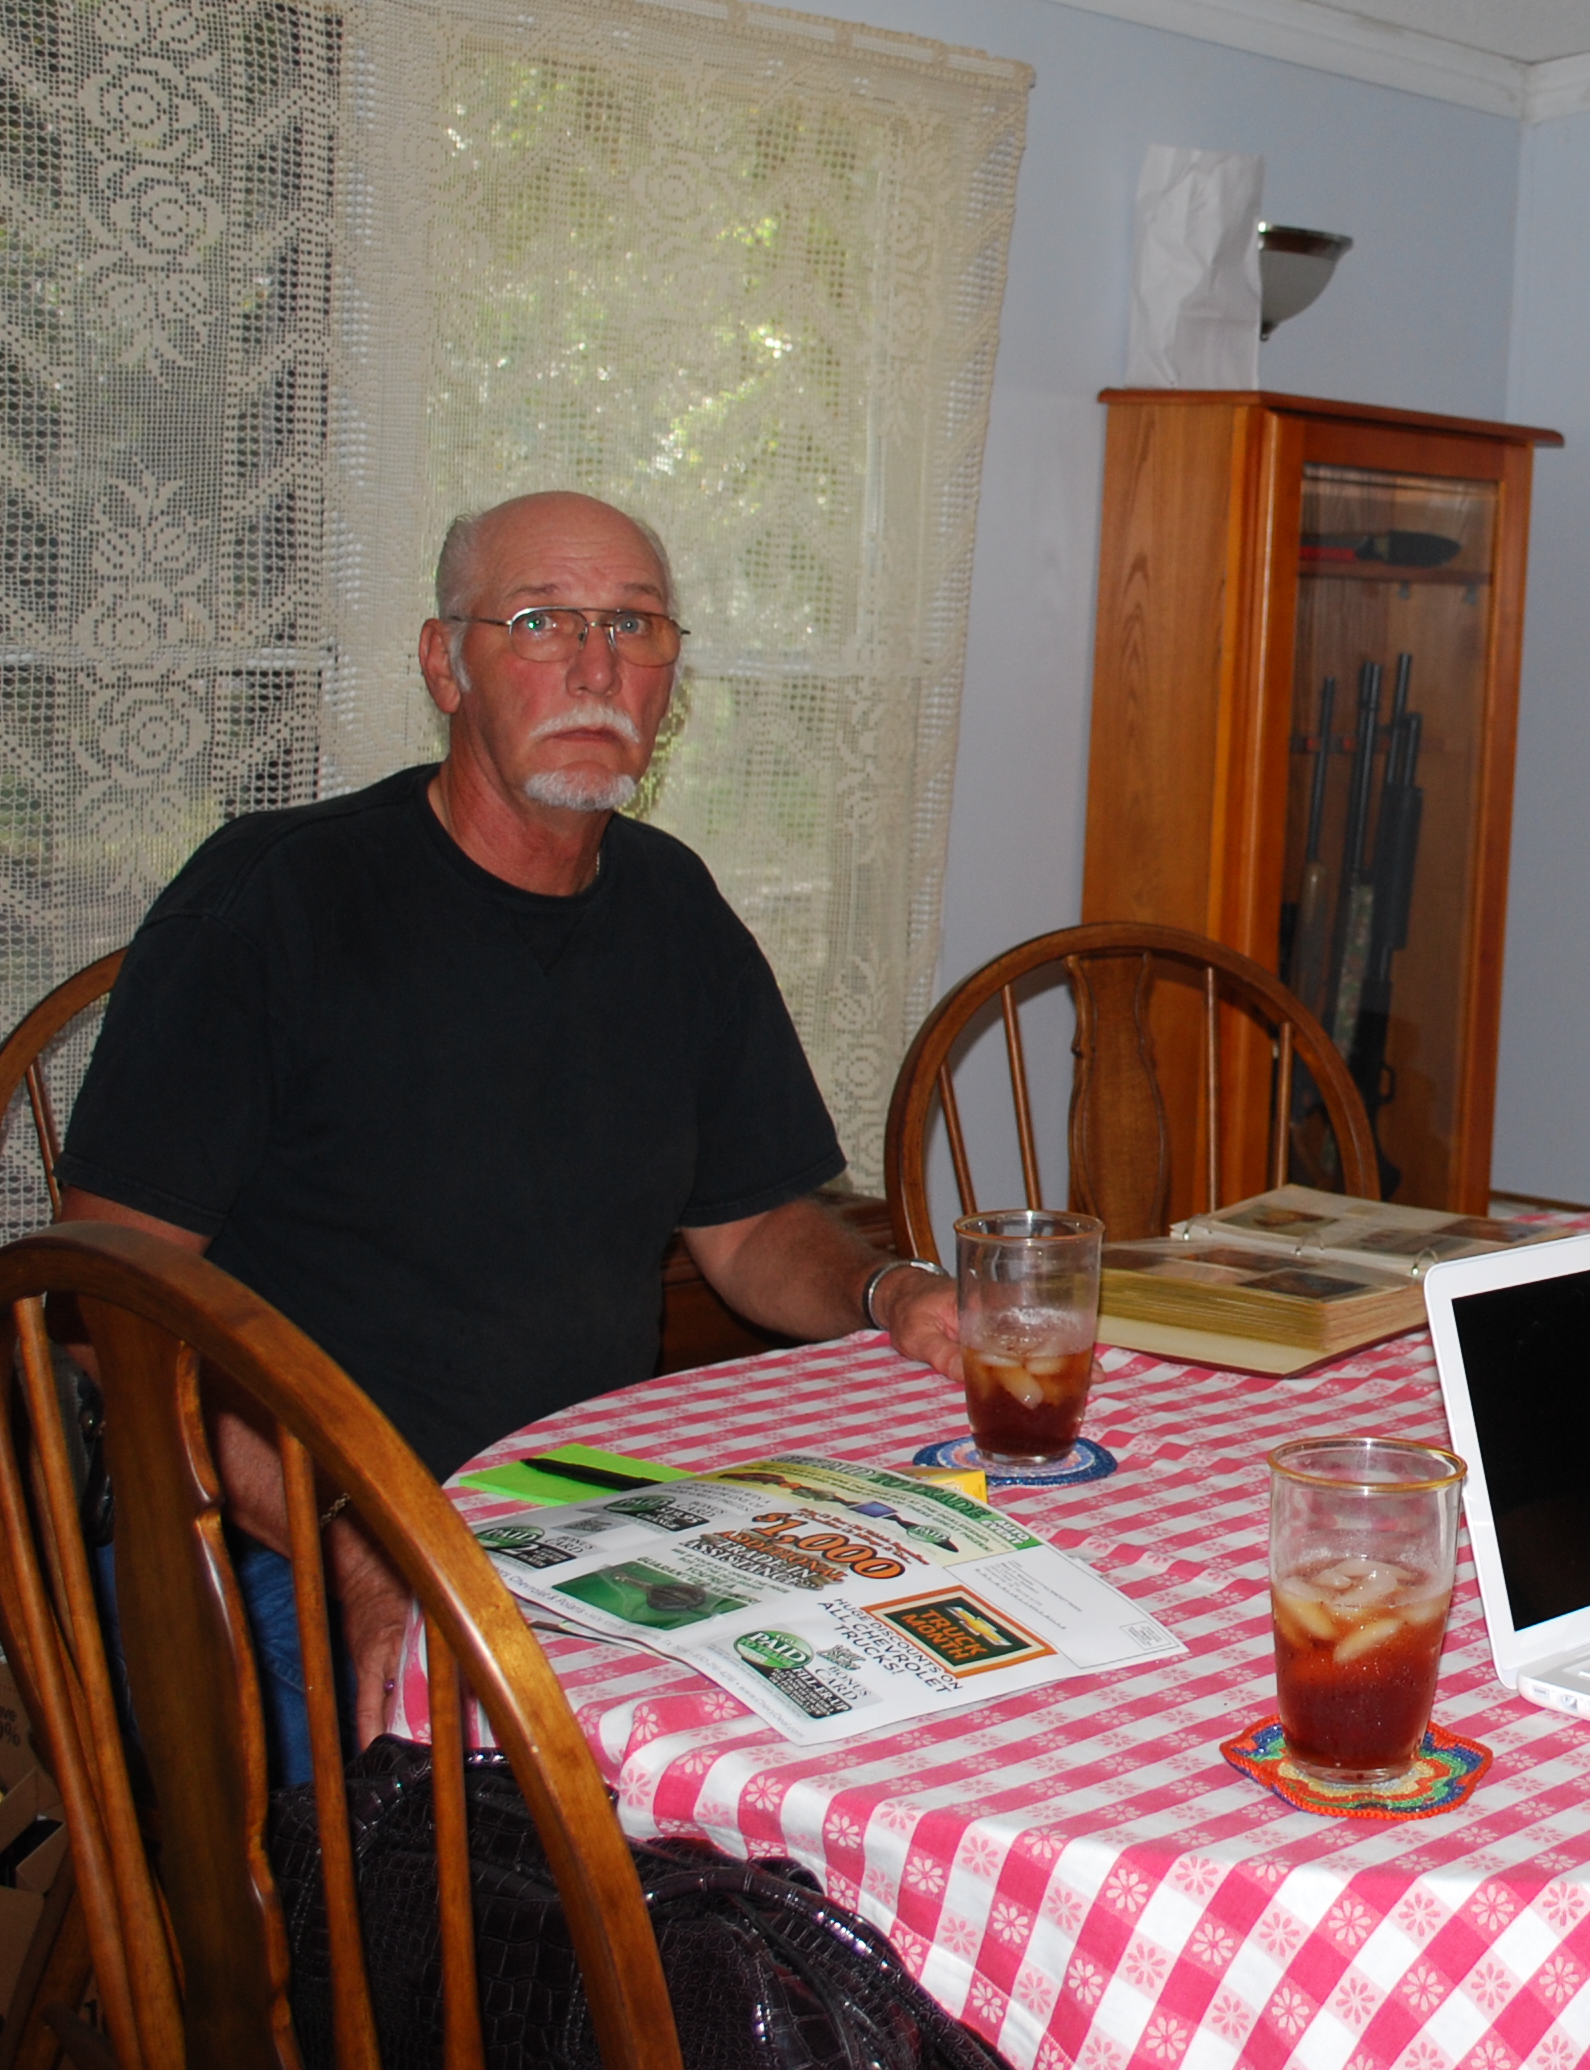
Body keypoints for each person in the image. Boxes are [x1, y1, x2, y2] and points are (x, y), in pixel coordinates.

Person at [57, 490, 960, 1769]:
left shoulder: (672, 909)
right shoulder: (275, 902)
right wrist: (355, 1543)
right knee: (484, 1886)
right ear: (446, 663)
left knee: (905, 1685)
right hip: (271, 1533)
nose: (596, 665)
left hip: (581, 1518)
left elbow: (750, 1228)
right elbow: (106, 1309)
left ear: (669, 674)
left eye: (634, 626)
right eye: (542, 622)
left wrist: (888, 1292)